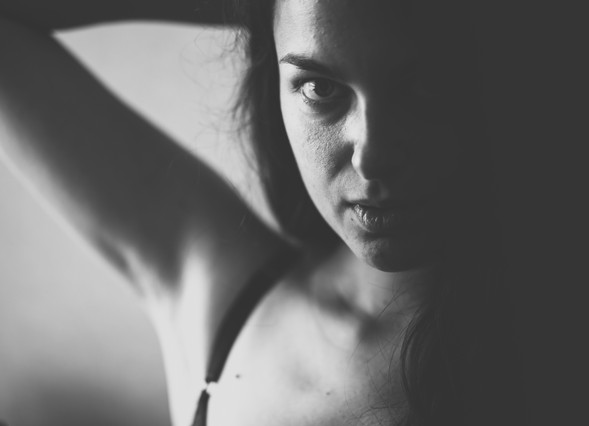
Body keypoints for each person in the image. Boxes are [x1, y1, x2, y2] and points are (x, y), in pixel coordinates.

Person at [0, 0, 523, 425]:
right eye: (320, 88)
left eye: (424, 87)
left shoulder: (554, 350)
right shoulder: (220, 295)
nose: (373, 154)